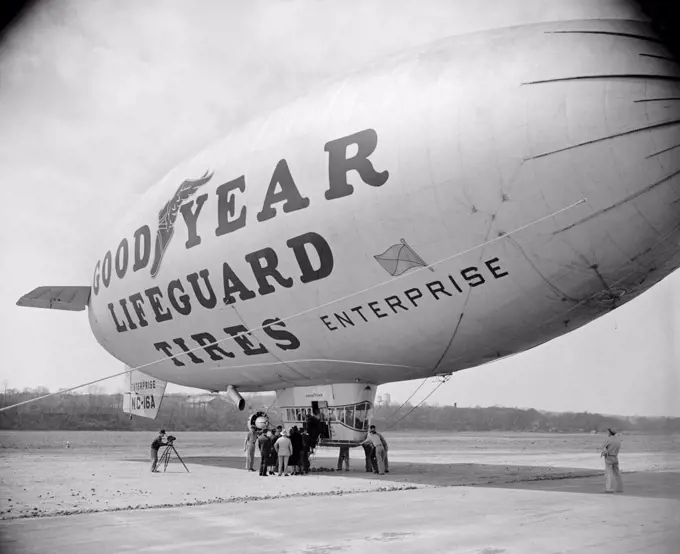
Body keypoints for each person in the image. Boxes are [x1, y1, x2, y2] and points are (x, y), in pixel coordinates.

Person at [601, 428, 623, 493]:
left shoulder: (608, 440)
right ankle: (620, 488)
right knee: (617, 473)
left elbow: (604, 448)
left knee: (609, 473)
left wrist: (604, 453)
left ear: (610, 433)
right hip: (615, 457)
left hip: (609, 458)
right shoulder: (618, 440)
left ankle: (609, 489)